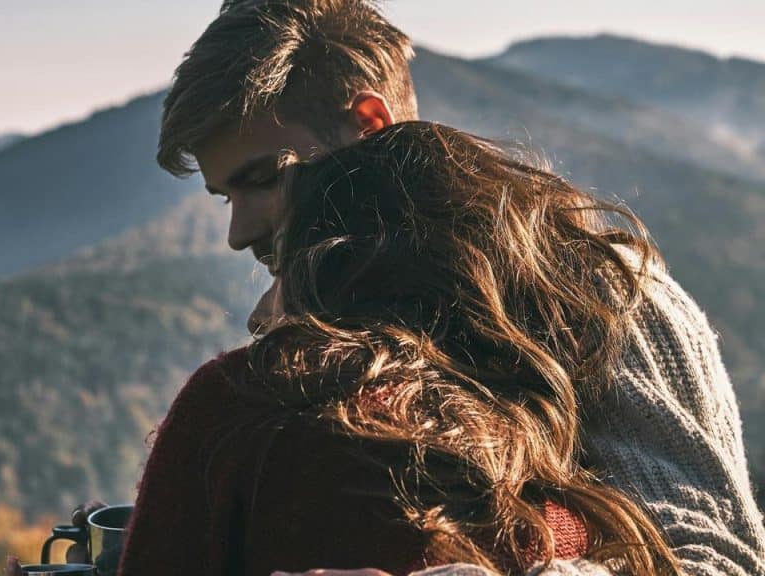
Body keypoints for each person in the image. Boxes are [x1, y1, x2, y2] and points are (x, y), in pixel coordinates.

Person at [151, 1, 765, 574]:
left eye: (261, 178)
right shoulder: (307, 333)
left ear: (370, 125)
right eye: (225, 196)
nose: (238, 232)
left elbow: (718, 557)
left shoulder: (594, 293)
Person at [117, 121, 684, 574]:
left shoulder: (241, 404)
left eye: (288, 257)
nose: (258, 308)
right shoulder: (555, 482)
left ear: (335, 262)